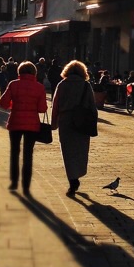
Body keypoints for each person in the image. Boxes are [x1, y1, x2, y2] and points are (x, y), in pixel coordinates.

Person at [0, 61, 48, 194]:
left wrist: (13, 105)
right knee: (28, 154)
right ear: (34, 73)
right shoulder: (39, 87)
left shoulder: (13, 84)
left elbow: (3, 102)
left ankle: (14, 182)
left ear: (19, 72)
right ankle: (26, 185)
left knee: (14, 153)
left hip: (15, 122)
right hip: (32, 124)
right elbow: (42, 109)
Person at [51, 59, 97, 198]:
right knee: (81, 150)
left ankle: (73, 180)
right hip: (82, 121)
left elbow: (56, 105)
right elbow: (92, 105)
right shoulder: (86, 85)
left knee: (68, 152)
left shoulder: (62, 84)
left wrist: (54, 123)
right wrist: (93, 122)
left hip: (66, 121)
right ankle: (79, 172)